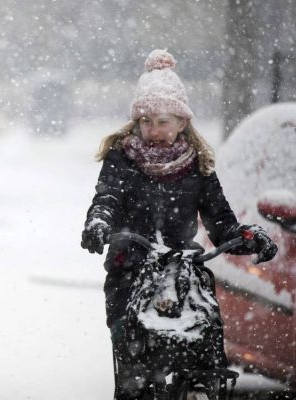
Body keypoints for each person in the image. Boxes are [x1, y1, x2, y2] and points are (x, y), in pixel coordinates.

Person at [80, 49, 278, 399]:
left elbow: (221, 221)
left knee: (201, 350)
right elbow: (106, 197)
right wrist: (99, 222)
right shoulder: (122, 158)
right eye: (145, 122)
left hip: (184, 273)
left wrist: (247, 237)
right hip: (130, 269)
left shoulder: (197, 166)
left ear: (182, 122)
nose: (152, 130)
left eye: (162, 121)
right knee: (135, 367)